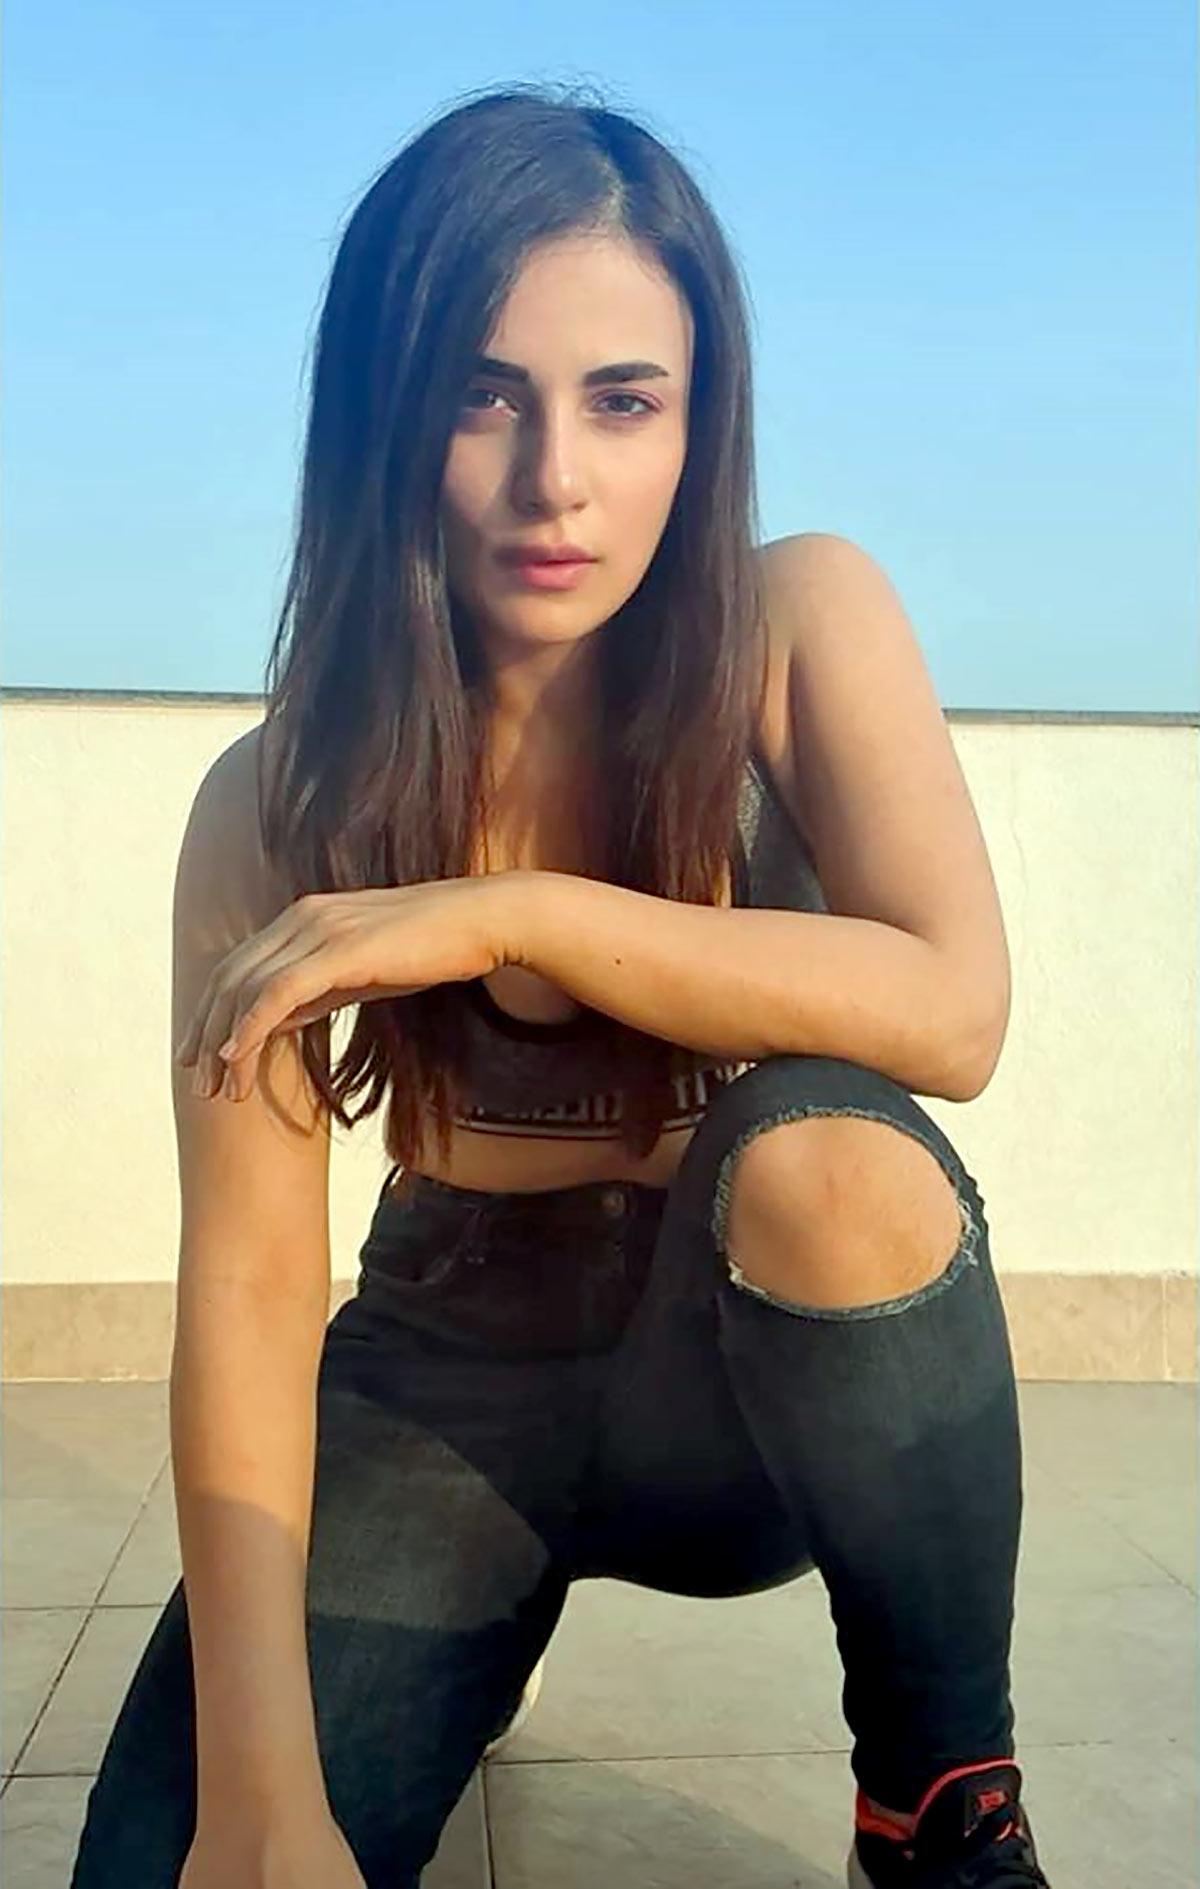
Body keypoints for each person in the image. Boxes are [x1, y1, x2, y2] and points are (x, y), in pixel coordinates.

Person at [70, 80, 1051, 1889]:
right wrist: (259, 1798)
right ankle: (460, 1638)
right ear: (381, 407)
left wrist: (509, 911)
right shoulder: (279, 804)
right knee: (172, 1863)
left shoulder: (797, 628)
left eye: (624, 400)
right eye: (481, 393)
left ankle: (932, 1798)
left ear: (699, 419)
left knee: (831, 1155)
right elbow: (256, 1285)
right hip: (449, 1369)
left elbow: (955, 1009)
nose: (556, 481)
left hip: (744, 1383)